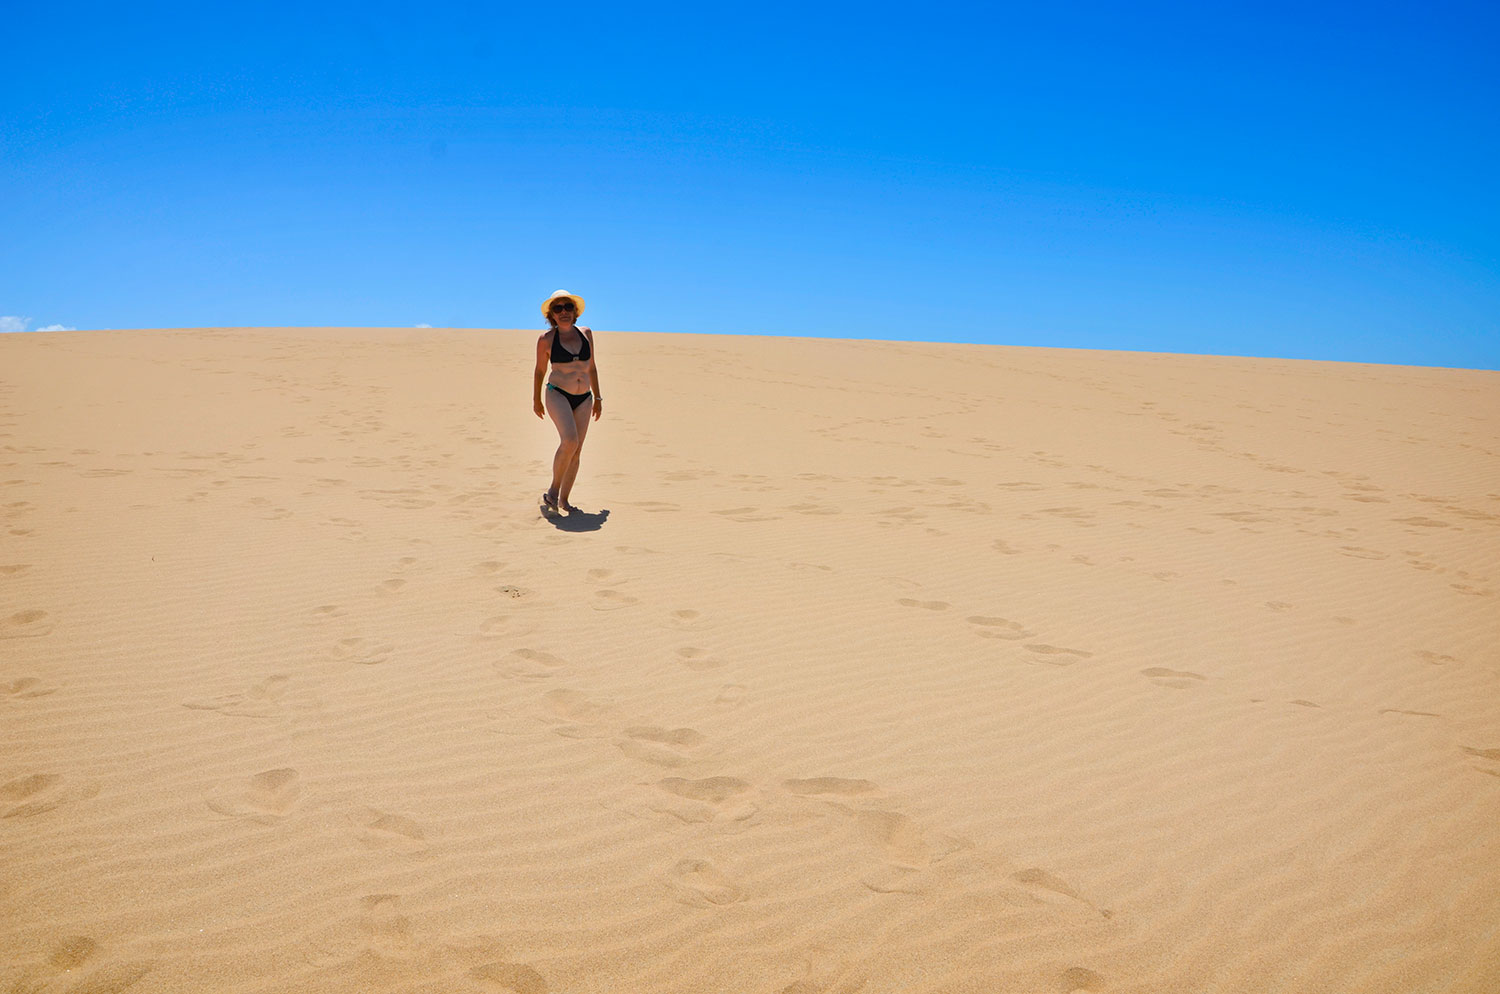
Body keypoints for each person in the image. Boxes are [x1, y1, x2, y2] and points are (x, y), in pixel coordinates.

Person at [533, 289, 602, 513]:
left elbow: (591, 367)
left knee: (577, 450)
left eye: (568, 307)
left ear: (575, 312)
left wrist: (598, 397)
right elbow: (539, 370)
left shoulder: (586, 333)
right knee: (569, 441)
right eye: (558, 308)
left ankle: (564, 501)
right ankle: (553, 492)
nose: (564, 312)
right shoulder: (546, 339)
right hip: (558, 393)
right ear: (551, 315)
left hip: (585, 398)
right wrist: (536, 399)